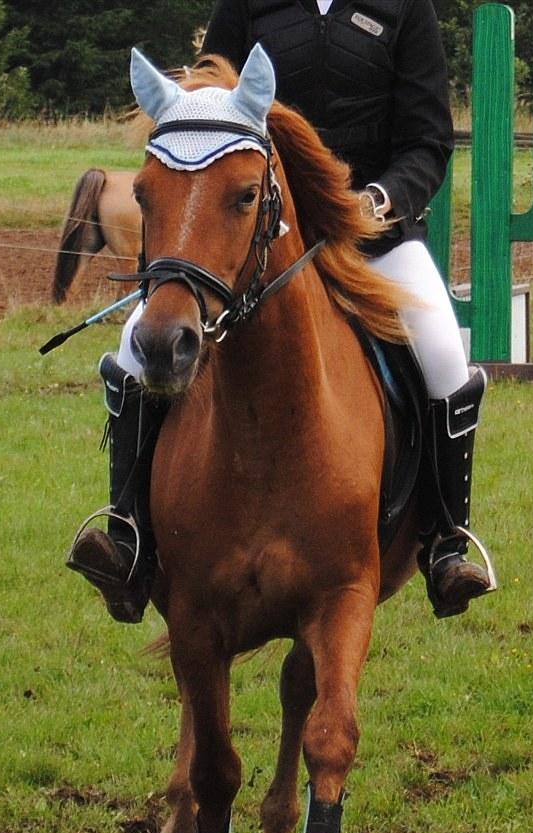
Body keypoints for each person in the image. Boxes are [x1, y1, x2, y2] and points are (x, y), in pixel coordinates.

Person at [68, 0, 495, 622]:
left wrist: (382, 199)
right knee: (137, 347)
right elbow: (204, 105)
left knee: (444, 354)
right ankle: (129, 538)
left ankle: (446, 543)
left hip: (370, 236)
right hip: (255, 238)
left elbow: (427, 139)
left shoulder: (405, 9)